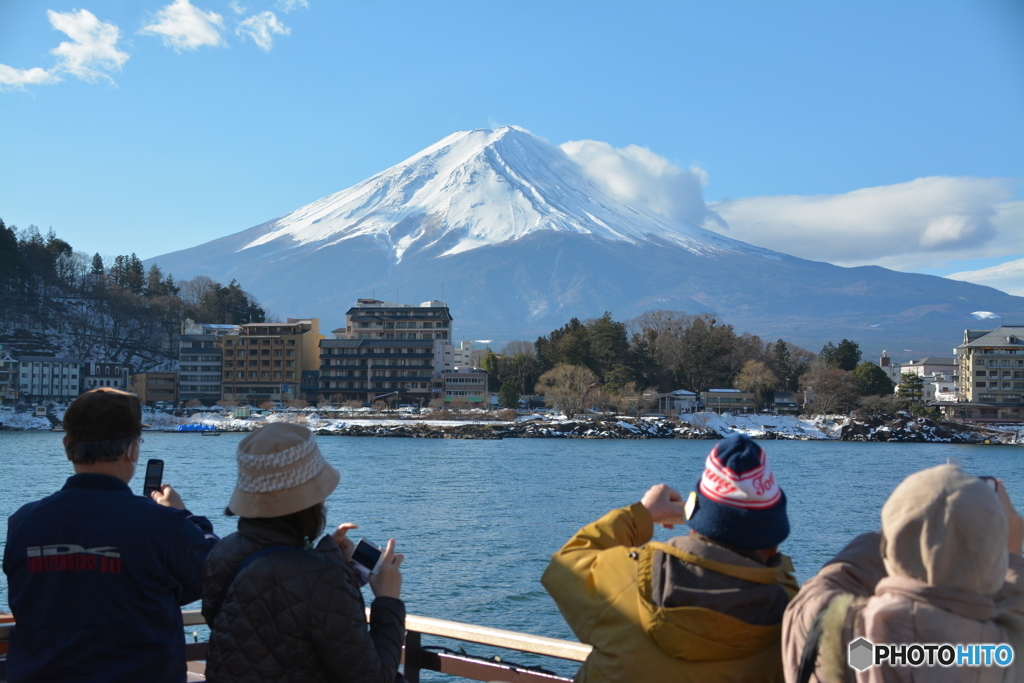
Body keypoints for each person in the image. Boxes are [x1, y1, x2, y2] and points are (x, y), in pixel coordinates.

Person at [542, 433, 798, 682]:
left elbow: (566, 563)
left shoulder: (625, 578)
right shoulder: (795, 618)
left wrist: (642, 514)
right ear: (773, 541)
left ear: (695, 520)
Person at [3, 388, 219, 682]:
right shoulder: (160, 523)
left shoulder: (24, 522)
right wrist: (186, 516)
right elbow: (213, 572)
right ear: (132, 449)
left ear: (67, 446)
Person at [201, 422, 406, 682]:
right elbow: (372, 677)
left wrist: (326, 559)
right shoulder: (322, 577)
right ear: (310, 501)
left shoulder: (223, 552)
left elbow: (255, 629)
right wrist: (388, 600)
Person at [782, 464, 1024, 683]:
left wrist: (908, 519)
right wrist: (1012, 551)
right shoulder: (1009, 654)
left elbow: (828, 583)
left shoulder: (835, 634)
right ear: (996, 560)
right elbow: (1016, 604)